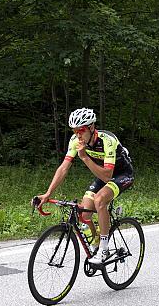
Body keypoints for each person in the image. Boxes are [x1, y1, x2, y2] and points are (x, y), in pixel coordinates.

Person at [34, 108, 134, 265]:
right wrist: (47, 194)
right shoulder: (75, 141)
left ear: (92, 127)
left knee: (100, 200)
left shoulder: (107, 141)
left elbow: (107, 176)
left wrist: (85, 157)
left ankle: (104, 248)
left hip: (122, 174)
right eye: (74, 131)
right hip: (103, 173)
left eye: (81, 130)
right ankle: (96, 246)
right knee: (83, 213)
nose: (78, 134)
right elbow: (63, 168)